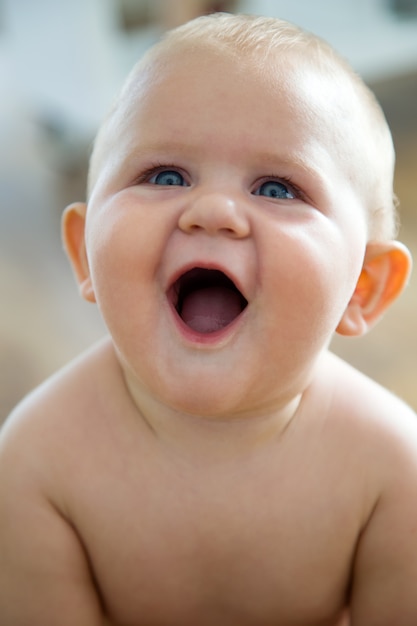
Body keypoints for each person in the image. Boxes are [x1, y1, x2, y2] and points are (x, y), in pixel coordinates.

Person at [0, 11, 416, 626]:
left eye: (277, 189)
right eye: (165, 175)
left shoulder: (392, 467)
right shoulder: (35, 463)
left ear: (362, 286)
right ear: (85, 253)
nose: (214, 210)